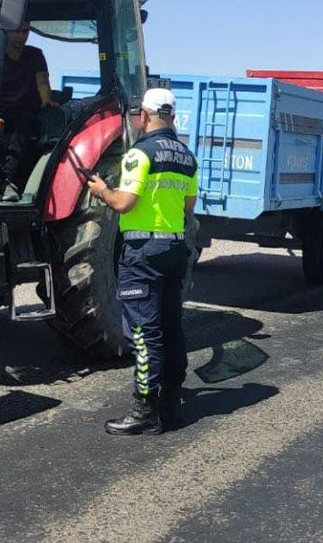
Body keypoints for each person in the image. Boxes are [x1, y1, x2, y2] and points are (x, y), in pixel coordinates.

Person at [86, 87, 198, 435]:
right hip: (175, 250)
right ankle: (172, 402)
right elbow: (188, 207)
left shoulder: (139, 154)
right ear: (173, 117)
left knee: (142, 331)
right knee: (170, 327)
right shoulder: (186, 156)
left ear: (144, 116)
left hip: (143, 254)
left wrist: (102, 190)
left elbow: (124, 203)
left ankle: (144, 408)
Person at [0, 24, 56, 201]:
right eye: (17, 31)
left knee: (23, 124)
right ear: (6, 30)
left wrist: (46, 102)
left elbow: (42, 81)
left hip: (25, 112)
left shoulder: (34, 55)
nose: (21, 36)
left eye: (25, 31)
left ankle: (6, 180)